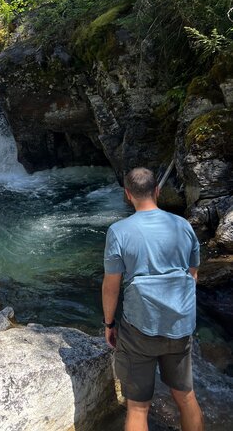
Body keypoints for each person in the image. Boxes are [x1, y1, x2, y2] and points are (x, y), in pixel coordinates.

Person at [102, 167, 204, 431]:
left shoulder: (119, 231)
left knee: (137, 406)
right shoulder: (182, 225)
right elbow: (192, 276)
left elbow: (111, 286)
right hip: (179, 326)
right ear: (157, 191)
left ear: (127, 194)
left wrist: (109, 323)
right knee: (186, 396)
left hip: (139, 327)